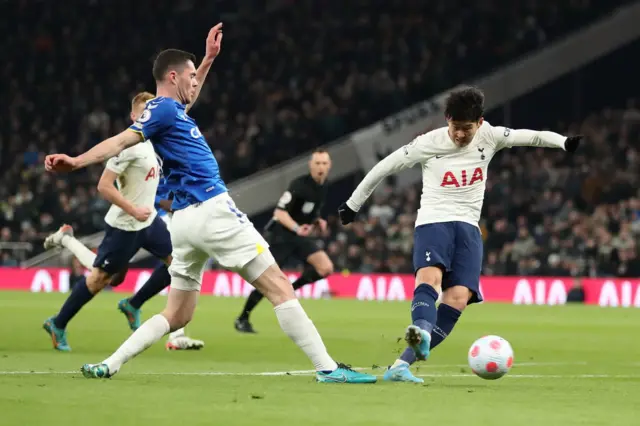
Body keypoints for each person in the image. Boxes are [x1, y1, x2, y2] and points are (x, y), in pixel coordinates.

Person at [45, 24, 375, 384]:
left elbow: (187, 97)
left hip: (184, 222)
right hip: (213, 209)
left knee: (178, 314)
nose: (193, 83)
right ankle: (328, 368)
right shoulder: (161, 110)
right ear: (172, 76)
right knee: (279, 284)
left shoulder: (173, 112)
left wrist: (207, 60)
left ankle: (110, 364)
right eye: (188, 77)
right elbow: (120, 141)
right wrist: (76, 161)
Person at [338, 86, 582, 383]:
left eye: (467, 129)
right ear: (447, 120)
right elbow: (384, 167)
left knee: (458, 298)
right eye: (455, 127)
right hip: (434, 221)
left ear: (479, 122)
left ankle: (400, 367)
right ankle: (423, 331)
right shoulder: (429, 142)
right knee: (430, 279)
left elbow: (530, 136)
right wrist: (353, 204)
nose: (460, 135)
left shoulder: (490, 135)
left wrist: (564, 143)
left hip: (468, 227)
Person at [42, 91, 175, 352]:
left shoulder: (151, 143)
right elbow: (104, 186)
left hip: (147, 222)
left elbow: (145, 185)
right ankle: (57, 323)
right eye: (144, 113)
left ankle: (133, 304)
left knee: (179, 262)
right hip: (125, 225)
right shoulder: (128, 146)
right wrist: (133, 209)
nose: (150, 117)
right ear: (134, 116)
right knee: (101, 280)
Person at [44, 172, 204, 350]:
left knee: (178, 264)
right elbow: (108, 184)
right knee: (105, 278)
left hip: (150, 219)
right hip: (129, 221)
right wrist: (75, 163)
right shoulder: (127, 150)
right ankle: (58, 323)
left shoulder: (158, 150)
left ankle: (147, 313)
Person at [235, 149, 333, 333]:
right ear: (311, 165)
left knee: (325, 268)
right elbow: (279, 213)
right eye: (318, 163)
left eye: (324, 163)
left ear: (329, 166)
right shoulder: (299, 185)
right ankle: (242, 318)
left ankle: (292, 289)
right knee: (267, 281)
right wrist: (297, 227)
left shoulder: (323, 186)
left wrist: (317, 220)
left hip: (299, 236)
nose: (321, 167)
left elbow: (309, 210)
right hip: (282, 236)